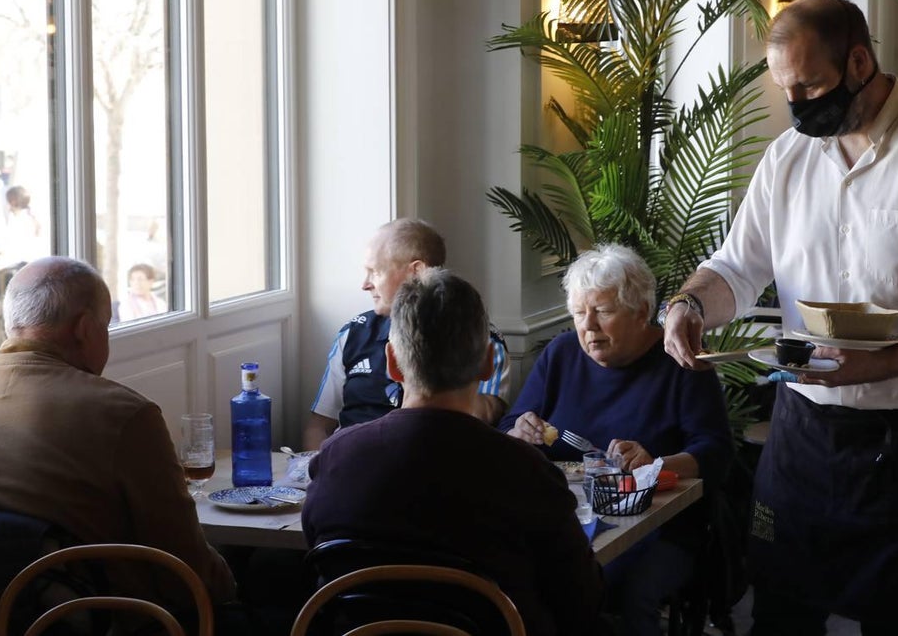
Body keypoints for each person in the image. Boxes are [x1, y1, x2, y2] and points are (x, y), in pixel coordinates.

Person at [661, 0, 898, 636]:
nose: (797, 105)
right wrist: (688, 303)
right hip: (804, 431)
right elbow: (737, 267)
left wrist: (889, 358)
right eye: (786, 89)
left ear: (859, 60)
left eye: (811, 85)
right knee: (781, 613)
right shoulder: (788, 158)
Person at [302, 268, 605, 635]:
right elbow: (580, 600)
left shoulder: (334, 459)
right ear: (487, 363)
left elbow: (320, 570)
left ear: (392, 363)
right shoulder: (525, 471)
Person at [0, 256, 236, 618]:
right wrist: (233, 587)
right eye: (106, 326)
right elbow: (182, 565)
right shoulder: (124, 414)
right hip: (99, 618)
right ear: (84, 328)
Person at [499, 244, 731, 636]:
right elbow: (509, 424)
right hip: (568, 516)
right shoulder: (561, 354)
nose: (587, 326)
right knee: (523, 577)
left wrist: (655, 464)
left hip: (661, 527)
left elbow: (716, 453)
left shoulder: (680, 363)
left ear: (641, 312)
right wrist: (517, 431)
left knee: (618, 590)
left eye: (602, 312)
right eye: (578, 313)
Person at [304, 218, 510, 449]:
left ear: (417, 272)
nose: (365, 284)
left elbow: (482, 418)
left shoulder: (476, 336)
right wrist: (319, 469)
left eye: (375, 272)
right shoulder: (353, 334)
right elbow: (319, 425)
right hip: (348, 463)